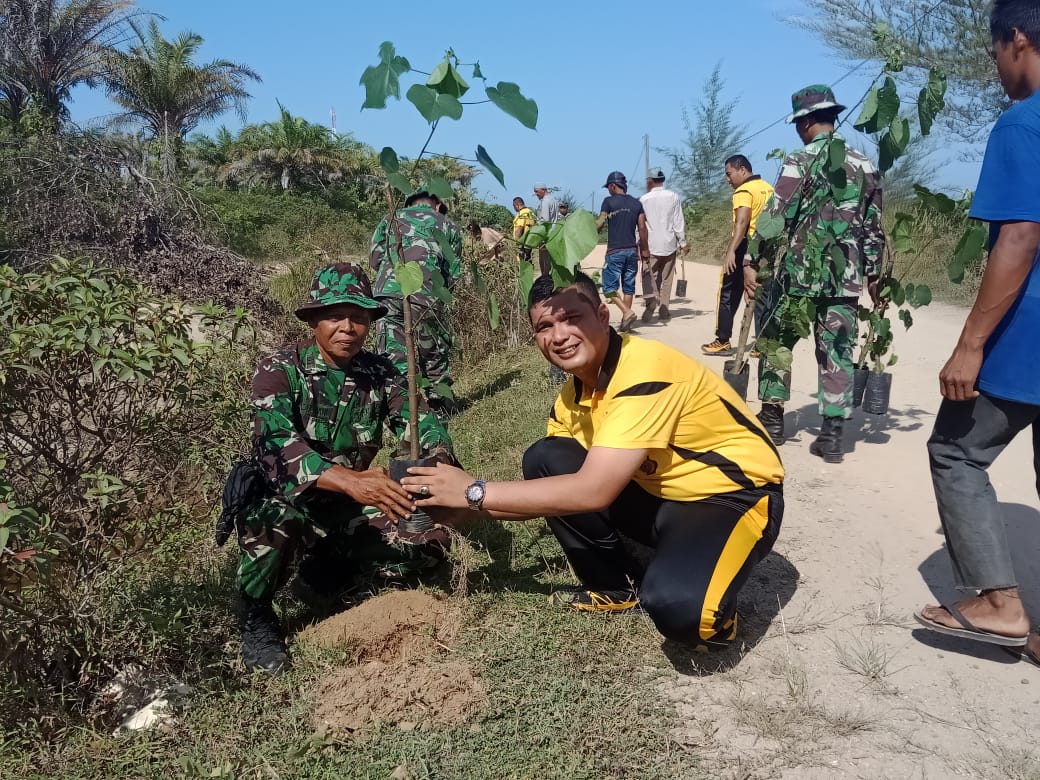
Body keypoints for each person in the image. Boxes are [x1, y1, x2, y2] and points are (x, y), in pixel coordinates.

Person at [400, 272, 785, 651]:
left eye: (572, 318)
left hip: (732, 499)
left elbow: (593, 491)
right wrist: (468, 509)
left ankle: (708, 599)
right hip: (661, 496)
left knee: (681, 611)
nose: (559, 335)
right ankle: (616, 586)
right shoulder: (571, 397)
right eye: (544, 326)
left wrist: (474, 490)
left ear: (603, 316)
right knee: (546, 458)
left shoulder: (644, 368)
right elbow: (551, 494)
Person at [236, 263, 457, 673]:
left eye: (358, 318)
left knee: (429, 543)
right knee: (269, 523)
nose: (347, 328)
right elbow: (276, 446)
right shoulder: (279, 370)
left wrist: (439, 459)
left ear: (370, 324)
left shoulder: (381, 372)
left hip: (349, 503)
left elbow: (419, 422)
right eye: (335, 316)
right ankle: (257, 616)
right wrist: (351, 481)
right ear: (314, 321)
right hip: (288, 498)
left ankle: (328, 571)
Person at [914, 0, 1040, 664]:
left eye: (994, 50)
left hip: (1030, 338)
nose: (995, 64)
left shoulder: (1024, 125)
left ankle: (998, 602)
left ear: (1016, 39)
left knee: (957, 452)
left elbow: (1019, 238)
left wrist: (969, 345)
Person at [752, 85, 883, 462]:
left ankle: (773, 419)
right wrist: (873, 274)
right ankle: (832, 434)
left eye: (798, 123)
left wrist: (754, 260)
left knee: (777, 341)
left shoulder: (799, 159)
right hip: (846, 277)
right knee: (837, 349)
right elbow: (874, 224)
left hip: (798, 273)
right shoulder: (864, 162)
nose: (797, 130)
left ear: (807, 122)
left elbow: (777, 214)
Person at [369, 190, 464, 418]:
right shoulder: (447, 225)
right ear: (438, 206)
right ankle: (439, 408)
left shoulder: (390, 218)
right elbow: (453, 272)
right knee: (433, 352)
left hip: (386, 296)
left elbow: (375, 259)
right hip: (427, 294)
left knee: (392, 357)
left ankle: (402, 413)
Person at [702, 155, 774, 355]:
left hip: (746, 244)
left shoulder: (743, 190)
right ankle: (762, 343)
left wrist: (731, 251)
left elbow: (742, 222)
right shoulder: (768, 187)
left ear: (742, 170)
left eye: (729, 174)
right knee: (758, 292)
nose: (727, 179)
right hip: (766, 245)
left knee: (728, 293)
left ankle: (722, 339)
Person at [597, 171, 649, 332]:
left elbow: (599, 223)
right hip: (632, 251)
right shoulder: (636, 203)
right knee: (628, 286)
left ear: (613, 186)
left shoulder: (608, 202)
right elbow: (642, 227)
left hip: (615, 251)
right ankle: (626, 323)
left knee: (608, 287)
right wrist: (645, 249)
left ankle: (626, 312)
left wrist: (591, 230)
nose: (608, 191)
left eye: (608, 187)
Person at [639, 166, 688, 324]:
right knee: (666, 278)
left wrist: (638, 244)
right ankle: (664, 306)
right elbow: (678, 221)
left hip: (651, 245)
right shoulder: (673, 197)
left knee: (648, 276)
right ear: (663, 180)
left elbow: (639, 225)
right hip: (669, 244)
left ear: (650, 181)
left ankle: (651, 301)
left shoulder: (644, 199)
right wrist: (683, 242)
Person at [534, 183, 560, 276]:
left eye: (536, 191)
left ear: (543, 190)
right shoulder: (554, 200)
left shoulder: (545, 202)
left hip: (546, 237)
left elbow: (545, 221)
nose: (536, 194)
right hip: (554, 235)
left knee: (545, 264)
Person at [512, 196, 537, 263]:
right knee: (528, 261)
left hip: (522, 244)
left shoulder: (521, 214)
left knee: (521, 262)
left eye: (514, 206)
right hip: (530, 243)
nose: (514, 208)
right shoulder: (531, 213)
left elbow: (519, 228)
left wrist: (516, 243)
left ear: (517, 205)